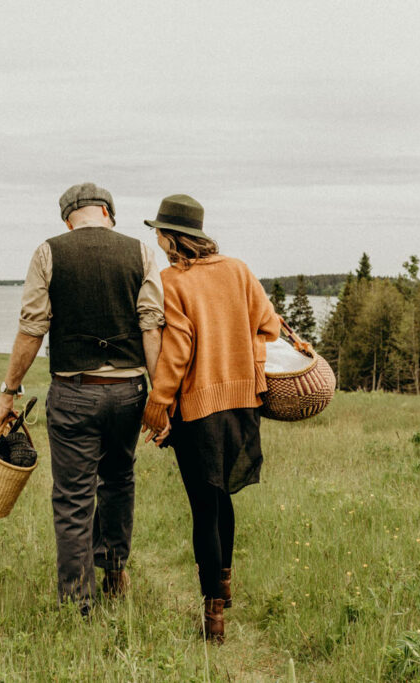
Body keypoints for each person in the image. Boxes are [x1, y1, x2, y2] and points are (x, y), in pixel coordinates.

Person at [0, 182, 165, 614]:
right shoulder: (141, 252)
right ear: (107, 212)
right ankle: (114, 572)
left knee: (73, 497)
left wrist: (8, 393)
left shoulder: (49, 252)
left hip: (74, 392)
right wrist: (159, 395)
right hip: (129, 392)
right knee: (119, 480)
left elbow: (32, 329)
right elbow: (151, 326)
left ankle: (77, 605)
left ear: (68, 218)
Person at [140, 194, 280, 643]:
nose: (156, 238)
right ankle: (223, 585)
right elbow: (269, 326)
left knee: (204, 507)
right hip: (243, 405)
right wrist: (247, 366)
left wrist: (158, 403)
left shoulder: (170, 280)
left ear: (170, 237)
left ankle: (213, 617)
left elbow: (177, 349)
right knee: (223, 499)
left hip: (198, 410)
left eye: (158, 231)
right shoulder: (238, 270)